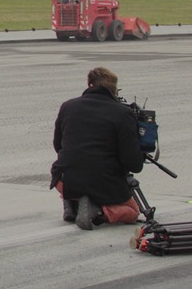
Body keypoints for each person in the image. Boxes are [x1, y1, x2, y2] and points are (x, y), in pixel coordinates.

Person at [51, 66, 146, 230]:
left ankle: (71, 204)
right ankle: (98, 212)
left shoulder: (68, 106)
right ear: (114, 89)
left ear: (90, 85)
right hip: (102, 182)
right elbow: (133, 164)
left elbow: (58, 145)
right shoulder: (122, 113)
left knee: (75, 175)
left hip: (65, 180)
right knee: (132, 211)